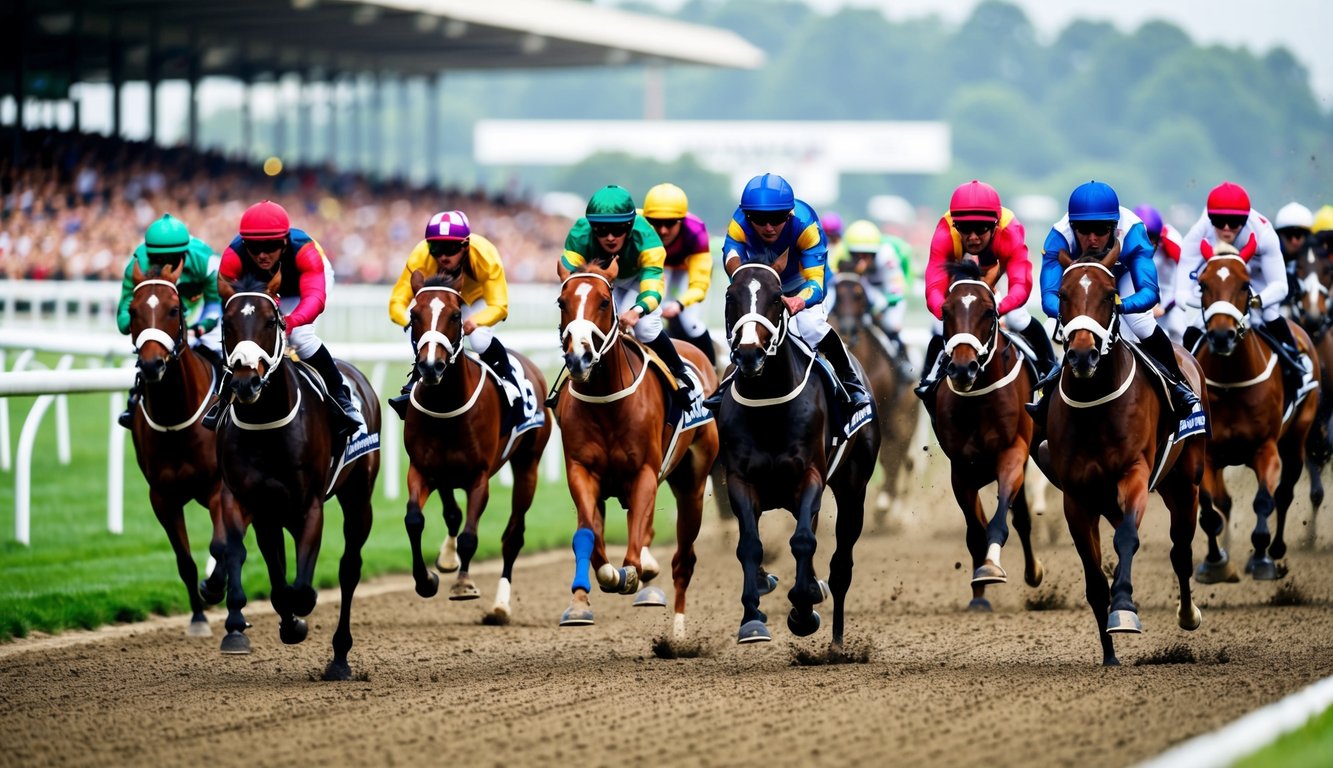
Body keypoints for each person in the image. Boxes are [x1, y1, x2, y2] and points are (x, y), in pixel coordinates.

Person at [1033, 180, 1198, 424]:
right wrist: (1078, 314)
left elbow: (1149, 292)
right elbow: (1048, 297)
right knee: (1063, 328)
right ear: (1071, 226)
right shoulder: (1058, 237)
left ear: (1114, 225)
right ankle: (1047, 396)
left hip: (1123, 277)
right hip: (1082, 285)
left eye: (1101, 230)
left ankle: (1177, 384)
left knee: (1139, 322)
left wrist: (1117, 306)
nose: (1092, 239)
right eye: (1083, 230)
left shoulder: (1132, 231)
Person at [703, 173, 871, 410]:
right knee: (742, 319)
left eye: (777, 218)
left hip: (800, 284)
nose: (769, 227)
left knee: (810, 327)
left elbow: (816, 284)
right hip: (761, 282)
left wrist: (798, 302)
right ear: (747, 215)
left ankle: (850, 381)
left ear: (789, 214)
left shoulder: (806, 225)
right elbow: (732, 261)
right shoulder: (738, 223)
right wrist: (748, 285)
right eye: (759, 219)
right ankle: (728, 382)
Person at [205, 200, 363, 438]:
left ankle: (340, 397)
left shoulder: (305, 252)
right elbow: (229, 306)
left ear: (285, 241)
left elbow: (315, 300)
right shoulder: (232, 256)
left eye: (270, 246)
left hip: (301, 290)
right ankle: (224, 394)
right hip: (260, 291)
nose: (262, 255)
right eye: (254, 247)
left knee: (300, 336)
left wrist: (290, 322)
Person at [556, 184, 694, 406]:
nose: (610, 237)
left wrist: (637, 311)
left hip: (638, 280)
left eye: (618, 229)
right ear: (592, 228)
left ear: (630, 227)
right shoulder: (580, 233)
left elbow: (653, 288)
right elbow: (570, 278)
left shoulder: (648, 239)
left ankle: (679, 373)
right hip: (601, 281)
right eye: (601, 230)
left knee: (646, 327)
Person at [915, 180, 1055, 398]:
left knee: (1017, 318)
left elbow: (1021, 285)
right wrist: (946, 310)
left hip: (997, 267)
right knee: (938, 322)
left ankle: (1049, 369)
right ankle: (929, 379)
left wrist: (998, 307)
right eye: (965, 229)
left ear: (995, 225)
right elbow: (934, 286)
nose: (972, 237)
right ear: (955, 225)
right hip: (963, 273)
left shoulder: (1009, 229)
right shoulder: (945, 231)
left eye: (981, 228)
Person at [1172, 181, 1310, 397]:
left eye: (1234, 222)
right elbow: (1181, 291)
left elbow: (1280, 286)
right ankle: (1179, 377)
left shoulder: (1264, 234)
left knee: (1270, 314)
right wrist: (1205, 306)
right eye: (1219, 221)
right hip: (1218, 286)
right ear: (1209, 219)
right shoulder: (1198, 233)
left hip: (1256, 280)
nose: (1226, 228)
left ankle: (1295, 365)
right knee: (1195, 322)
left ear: (1245, 220)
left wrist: (1257, 300)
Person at [386, 210, 518, 420]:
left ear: (465, 245)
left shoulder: (485, 254)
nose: (443, 256)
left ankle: (509, 381)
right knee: (421, 330)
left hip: (476, 301)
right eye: (436, 248)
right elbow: (396, 303)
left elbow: (500, 305)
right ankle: (415, 381)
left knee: (479, 340)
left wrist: (476, 321)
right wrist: (408, 323)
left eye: (451, 248)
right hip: (442, 305)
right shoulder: (420, 256)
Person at [115, 214, 223, 429]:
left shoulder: (207, 260)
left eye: (172, 259)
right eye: (157, 259)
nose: (164, 265)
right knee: (150, 351)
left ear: (185, 252)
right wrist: (143, 320)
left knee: (219, 349)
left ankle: (225, 400)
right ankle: (136, 400)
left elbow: (215, 304)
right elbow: (123, 321)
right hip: (160, 319)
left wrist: (199, 328)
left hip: (200, 314)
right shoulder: (135, 266)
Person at [641, 183, 717, 368]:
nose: (663, 230)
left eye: (670, 223)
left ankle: (712, 371)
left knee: (690, 322)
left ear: (682, 221)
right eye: (656, 223)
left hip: (684, 269)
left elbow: (699, 284)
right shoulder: (637, 224)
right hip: (656, 268)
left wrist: (680, 304)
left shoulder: (696, 231)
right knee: (649, 318)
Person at [840, 218, 912, 375]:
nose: (861, 259)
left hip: (891, 294)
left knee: (891, 324)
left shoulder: (887, 257)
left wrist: (877, 310)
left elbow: (896, 291)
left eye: (867, 255)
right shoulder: (843, 254)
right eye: (856, 255)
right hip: (868, 289)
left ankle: (902, 360)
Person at [1132, 204, 1186, 343]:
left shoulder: (1172, 244)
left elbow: (1175, 284)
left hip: (1167, 304)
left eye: (1151, 239)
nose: (1147, 245)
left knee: (1177, 328)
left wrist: (1163, 307)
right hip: (1139, 304)